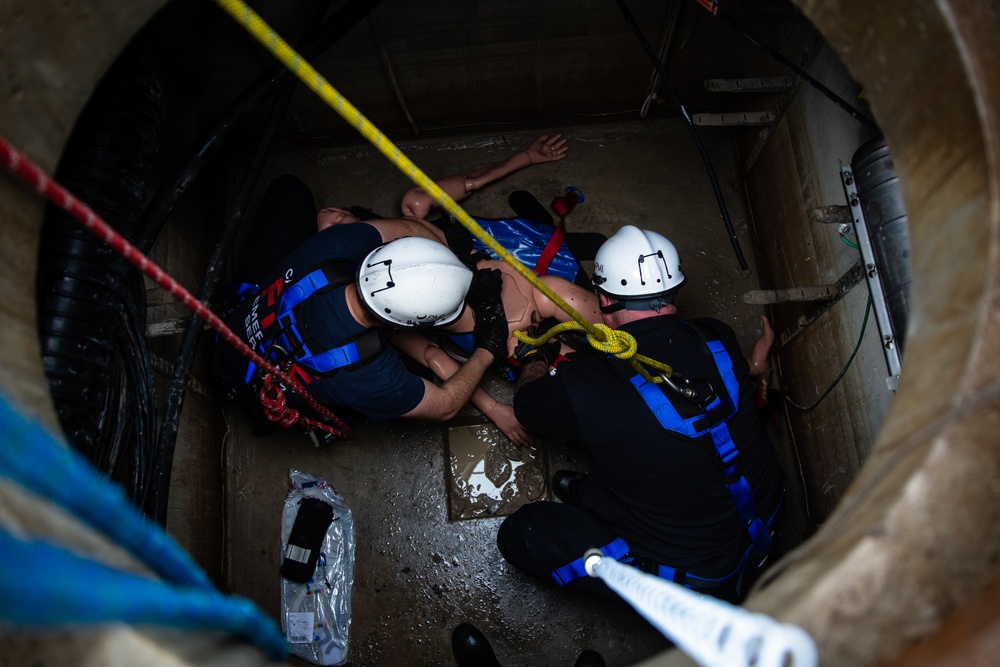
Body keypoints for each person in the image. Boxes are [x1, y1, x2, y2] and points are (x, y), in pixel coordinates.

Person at [496, 225, 786, 603]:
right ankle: (592, 494)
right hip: (769, 514)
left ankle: (599, 507)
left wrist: (534, 357)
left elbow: (528, 407)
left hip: (700, 575)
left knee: (522, 533)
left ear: (602, 298)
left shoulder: (585, 387)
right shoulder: (714, 336)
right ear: (674, 291)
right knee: (652, 451)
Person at [212, 175, 510, 430]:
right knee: (416, 379)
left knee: (290, 189)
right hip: (256, 384)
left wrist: (453, 268)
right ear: (404, 324)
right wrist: (488, 349)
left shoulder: (338, 245)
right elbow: (445, 405)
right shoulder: (376, 377)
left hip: (245, 321)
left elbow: (406, 229)